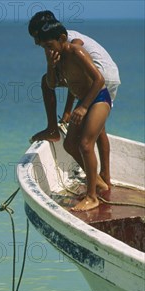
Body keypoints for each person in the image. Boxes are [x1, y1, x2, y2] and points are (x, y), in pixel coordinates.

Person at [28, 10, 121, 187]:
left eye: (36, 36)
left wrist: (77, 108)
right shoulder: (53, 44)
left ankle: (102, 178)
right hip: (96, 77)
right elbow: (71, 80)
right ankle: (104, 177)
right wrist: (68, 111)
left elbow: (78, 74)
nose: (36, 42)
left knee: (95, 132)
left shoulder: (70, 41)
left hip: (102, 76)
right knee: (47, 81)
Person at [38, 20, 112, 211]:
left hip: (99, 98)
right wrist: (49, 65)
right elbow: (52, 84)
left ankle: (92, 196)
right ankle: (99, 182)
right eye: (43, 48)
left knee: (85, 144)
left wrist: (84, 107)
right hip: (84, 101)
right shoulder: (57, 58)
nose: (47, 50)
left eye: (49, 46)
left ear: (62, 39)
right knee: (69, 144)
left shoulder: (75, 51)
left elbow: (99, 79)